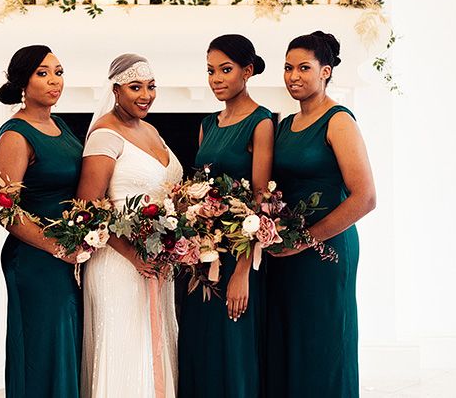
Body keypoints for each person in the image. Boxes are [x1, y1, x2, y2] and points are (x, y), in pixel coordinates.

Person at [265, 31, 376, 398]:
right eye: (287, 68)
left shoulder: (339, 121)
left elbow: (365, 197)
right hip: (288, 251)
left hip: (327, 252)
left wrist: (306, 241)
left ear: (325, 71)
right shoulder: (284, 126)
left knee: (324, 343)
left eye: (304, 68)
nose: (293, 75)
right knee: (291, 341)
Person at [76, 54, 183, 398]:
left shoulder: (150, 129)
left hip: (155, 259)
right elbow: (89, 208)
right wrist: (133, 254)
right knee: (126, 346)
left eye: (151, 87)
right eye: (135, 87)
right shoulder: (104, 134)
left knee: (155, 343)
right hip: (119, 262)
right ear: (116, 90)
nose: (146, 95)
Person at [178, 34, 274, 398]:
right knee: (200, 347)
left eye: (225, 69)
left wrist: (242, 273)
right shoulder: (208, 123)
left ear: (247, 71)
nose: (216, 78)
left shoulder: (262, 122)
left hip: (238, 255)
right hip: (201, 256)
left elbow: (260, 201)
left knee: (234, 350)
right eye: (210, 71)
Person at [0, 45, 83, 398]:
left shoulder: (58, 124)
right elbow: (3, 208)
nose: (53, 81)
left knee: (62, 345)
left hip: (65, 256)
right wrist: (55, 245)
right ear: (23, 82)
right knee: (40, 349)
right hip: (33, 258)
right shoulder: (16, 134)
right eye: (43, 73)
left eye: (58, 72)